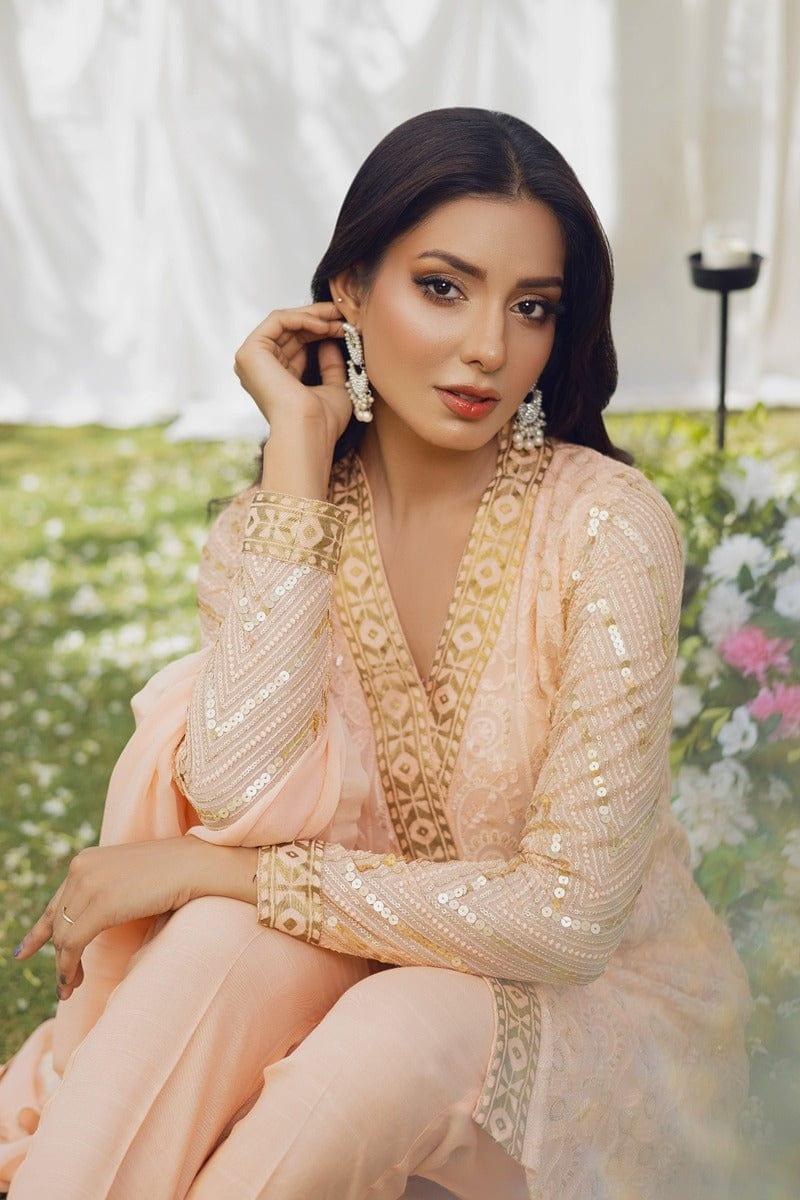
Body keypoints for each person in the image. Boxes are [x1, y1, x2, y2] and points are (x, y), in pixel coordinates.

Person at [0, 107, 753, 1200]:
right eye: (443, 288)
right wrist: (297, 456)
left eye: (531, 307)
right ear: (349, 289)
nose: (488, 346)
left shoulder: (606, 528)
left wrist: (220, 871)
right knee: (215, 948)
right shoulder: (274, 528)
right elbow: (242, 793)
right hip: (347, 950)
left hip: (588, 1006)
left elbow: (567, 920)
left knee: (383, 1024)